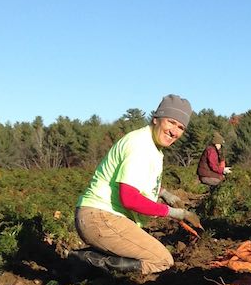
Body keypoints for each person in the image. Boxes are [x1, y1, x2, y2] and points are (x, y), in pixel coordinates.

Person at [69, 94, 202, 275]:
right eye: (171, 122)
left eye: (181, 127)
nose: (174, 131)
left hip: (102, 217)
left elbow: (139, 180)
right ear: (156, 119)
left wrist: (164, 193)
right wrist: (173, 213)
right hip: (101, 218)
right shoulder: (141, 146)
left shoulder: (152, 145)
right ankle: (85, 263)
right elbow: (130, 198)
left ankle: (87, 266)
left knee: (144, 253)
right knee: (161, 260)